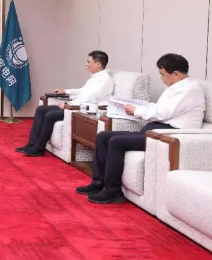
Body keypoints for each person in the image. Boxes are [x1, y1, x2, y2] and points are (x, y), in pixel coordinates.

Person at [76, 53, 205, 204]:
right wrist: (137, 106)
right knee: (103, 136)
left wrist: (136, 110)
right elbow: (159, 108)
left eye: (162, 75)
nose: (161, 79)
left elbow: (163, 113)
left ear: (176, 74)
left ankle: (113, 191)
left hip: (166, 135)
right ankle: (98, 183)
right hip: (155, 129)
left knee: (116, 142)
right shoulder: (175, 86)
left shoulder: (190, 89)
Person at [17, 50, 114, 157]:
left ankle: (39, 148)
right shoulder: (94, 79)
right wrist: (65, 91)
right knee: (41, 109)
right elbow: (81, 91)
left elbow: (90, 98)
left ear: (97, 64)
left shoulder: (105, 80)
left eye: (88, 62)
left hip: (83, 110)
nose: (86, 64)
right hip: (77, 105)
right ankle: (31, 144)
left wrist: (68, 105)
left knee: (50, 115)